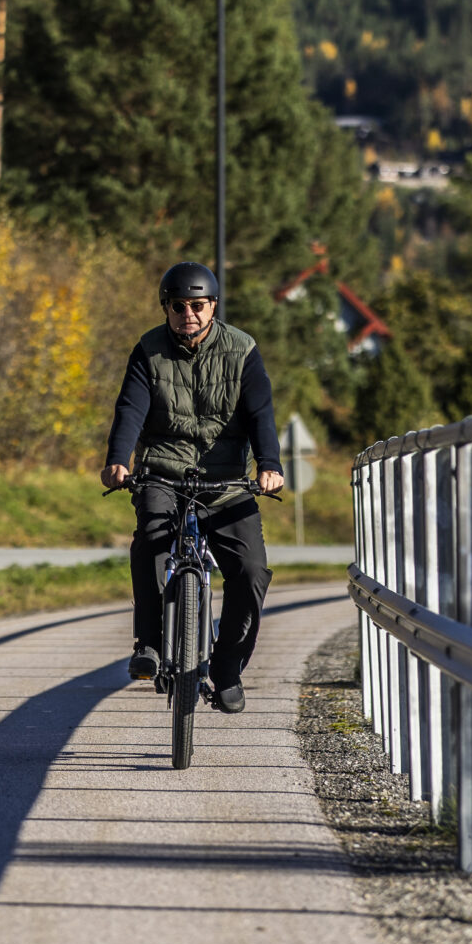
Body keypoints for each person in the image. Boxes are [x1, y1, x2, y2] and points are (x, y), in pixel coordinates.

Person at [99, 261, 284, 715]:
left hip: (226, 481)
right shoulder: (148, 350)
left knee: (251, 571)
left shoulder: (242, 349)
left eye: (198, 306)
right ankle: (149, 643)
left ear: (213, 306)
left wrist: (269, 464)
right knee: (151, 541)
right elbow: (130, 410)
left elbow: (260, 413)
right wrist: (118, 460)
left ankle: (227, 669)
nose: (189, 314)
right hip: (163, 472)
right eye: (178, 306)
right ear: (166, 308)